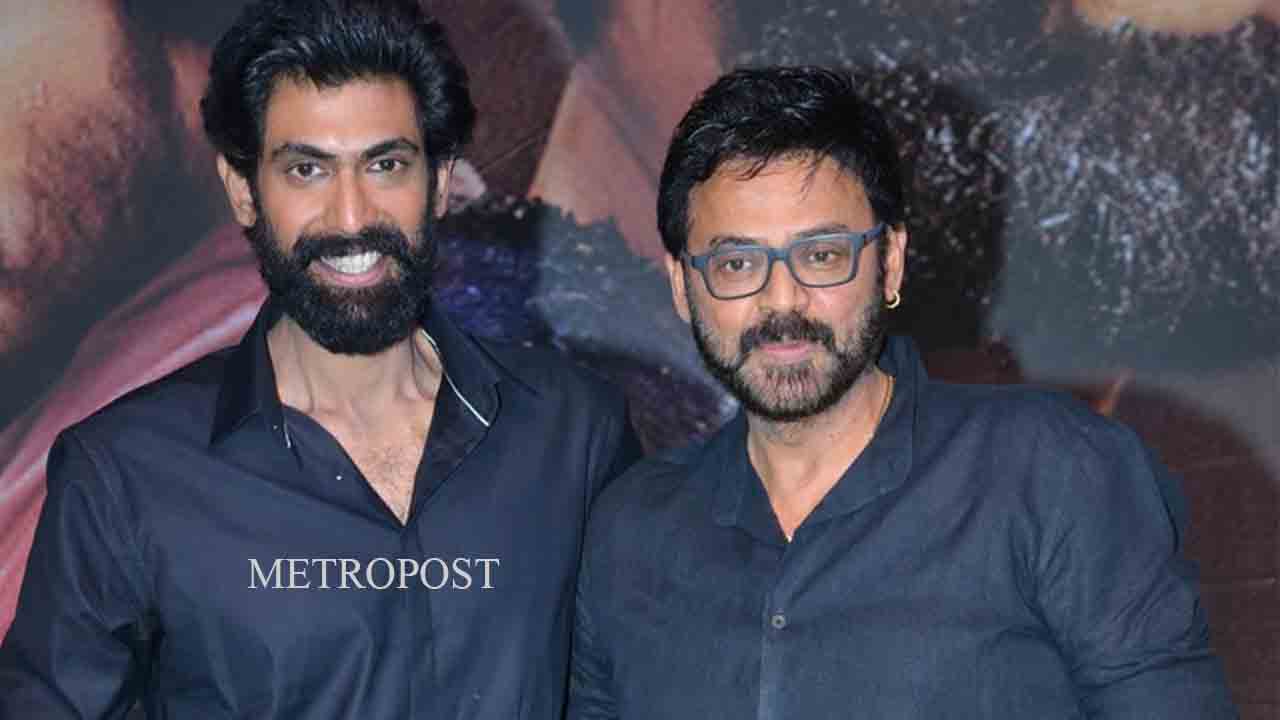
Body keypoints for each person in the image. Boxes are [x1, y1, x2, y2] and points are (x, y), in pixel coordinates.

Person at [0, 0, 640, 716]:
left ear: (437, 182)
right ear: (245, 191)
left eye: (386, 165)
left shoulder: (575, 428)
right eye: (306, 170)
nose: (350, 217)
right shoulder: (120, 472)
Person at [567, 66, 1237, 718]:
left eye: (821, 255)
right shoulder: (630, 533)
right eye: (737, 264)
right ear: (683, 287)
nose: (782, 301)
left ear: (889, 262)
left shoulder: (1051, 470)